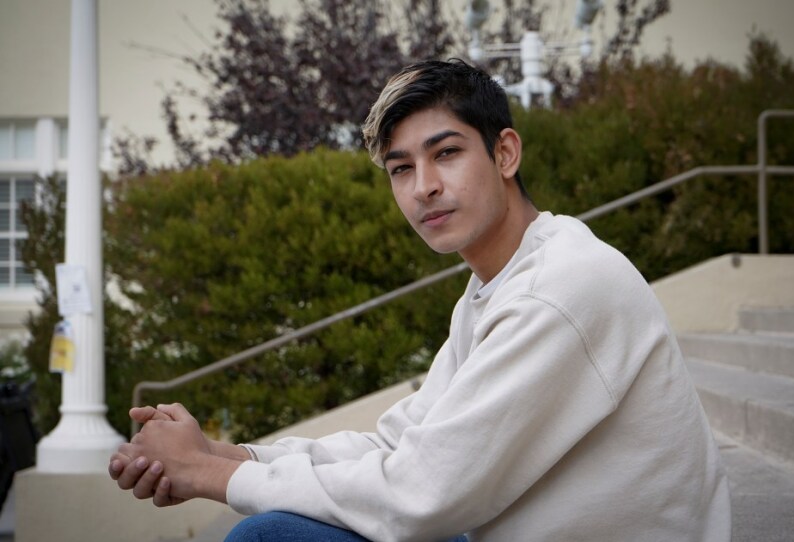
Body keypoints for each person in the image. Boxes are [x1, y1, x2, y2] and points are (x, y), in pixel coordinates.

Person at [109, 59, 731, 541]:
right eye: (401, 169)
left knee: (272, 536)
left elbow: (423, 493)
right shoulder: (496, 288)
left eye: (447, 153)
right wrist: (222, 452)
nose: (424, 187)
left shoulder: (560, 289)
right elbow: (398, 445)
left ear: (505, 153)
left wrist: (209, 476)